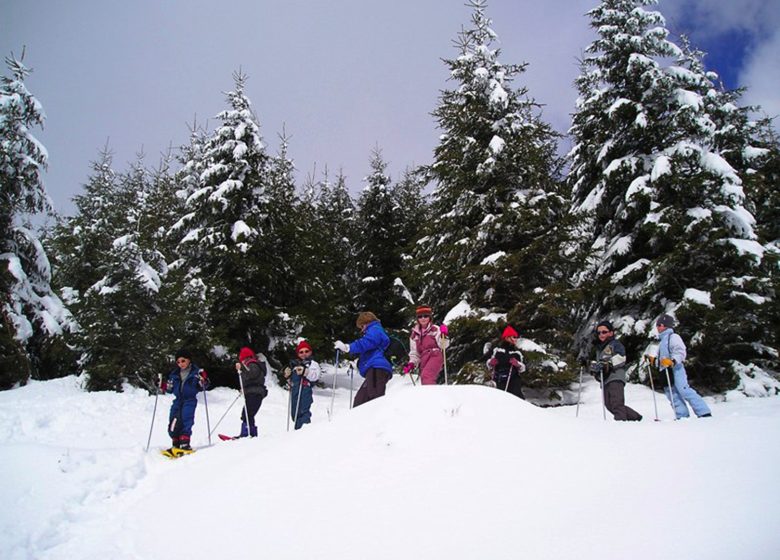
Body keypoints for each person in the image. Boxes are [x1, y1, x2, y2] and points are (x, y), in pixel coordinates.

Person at [655, 314, 712, 419]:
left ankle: (703, 412)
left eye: (660, 325)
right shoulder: (662, 341)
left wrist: (673, 361)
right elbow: (662, 357)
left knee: (684, 390)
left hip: (676, 369)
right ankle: (682, 415)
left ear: (666, 326)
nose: (658, 327)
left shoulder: (673, 337)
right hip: (666, 371)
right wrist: (654, 360)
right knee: (672, 394)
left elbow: (680, 351)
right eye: (657, 325)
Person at [334, 311, 393, 407]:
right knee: (361, 400)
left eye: (362, 327)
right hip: (375, 368)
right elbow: (370, 350)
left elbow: (365, 343)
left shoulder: (375, 329)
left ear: (366, 323)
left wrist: (347, 347)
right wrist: (358, 363)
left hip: (377, 367)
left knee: (373, 399)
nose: (362, 330)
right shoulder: (375, 330)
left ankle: (377, 420)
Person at [590, 321, 642, 421]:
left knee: (616, 403)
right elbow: (599, 363)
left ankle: (620, 422)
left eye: (604, 332)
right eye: (599, 332)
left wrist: (608, 364)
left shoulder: (615, 344)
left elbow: (621, 358)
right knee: (609, 404)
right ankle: (635, 417)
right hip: (605, 380)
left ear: (611, 333)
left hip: (615, 377)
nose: (601, 334)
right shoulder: (599, 348)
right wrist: (593, 367)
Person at [161, 349, 208, 452]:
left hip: (189, 399)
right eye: (178, 362)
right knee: (173, 418)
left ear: (189, 360)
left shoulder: (196, 373)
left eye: (183, 361)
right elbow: (170, 388)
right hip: (178, 400)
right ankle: (175, 442)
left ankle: (185, 442)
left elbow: (203, 386)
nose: (181, 364)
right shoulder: (174, 374)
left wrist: (203, 380)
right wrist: (161, 385)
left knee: (186, 418)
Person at [402, 305, 448, 385]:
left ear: (430, 317)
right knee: (424, 379)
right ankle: (432, 395)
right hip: (423, 358)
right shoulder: (414, 334)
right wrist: (411, 364)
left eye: (426, 316)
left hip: (435, 354)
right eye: (420, 316)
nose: (423, 318)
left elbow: (443, 346)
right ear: (417, 319)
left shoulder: (435, 329)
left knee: (427, 376)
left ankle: (430, 396)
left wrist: (443, 335)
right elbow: (414, 353)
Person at [284, 340, 322, 430]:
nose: (304, 354)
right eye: (301, 352)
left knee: (303, 412)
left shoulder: (312, 364)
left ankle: (304, 431)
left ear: (310, 352)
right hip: (295, 391)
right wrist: (288, 376)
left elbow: (315, 376)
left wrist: (306, 372)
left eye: (306, 351)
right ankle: (297, 430)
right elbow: (292, 381)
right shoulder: (295, 364)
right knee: (295, 414)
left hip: (305, 390)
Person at [232, 346, 268, 438]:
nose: (242, 362)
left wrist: (242, 368)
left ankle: (248, 433)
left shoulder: (252, 364)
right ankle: (250, 432)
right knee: (247, 413)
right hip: (252, 392)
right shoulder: (249, 365)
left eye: (243, 359)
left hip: (255, 393)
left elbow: (252, 374)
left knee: (247, 413)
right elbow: (249, 379)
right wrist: (244, 388)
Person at [486, 325, 526, 399]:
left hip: (513, 382)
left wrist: (517, 364)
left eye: (516, 337)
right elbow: (489, 363)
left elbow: (523, 368)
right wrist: (491, 362)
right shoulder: (497, 350)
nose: (515, 340)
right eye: (514, 337)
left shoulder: (517, 353)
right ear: (507, 337)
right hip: (498, 380)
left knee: (515, 399)